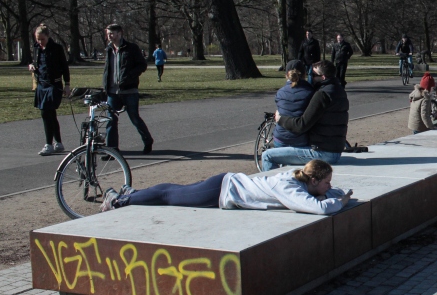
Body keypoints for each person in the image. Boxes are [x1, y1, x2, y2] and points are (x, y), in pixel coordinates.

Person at [101, 159, 353, 215]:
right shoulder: (288, 187)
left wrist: (336, 193)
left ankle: (132, 193)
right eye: (327, 182)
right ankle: (119, 200)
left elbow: (332, 193)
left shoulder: (303, 182)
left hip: (225, 184)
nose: (331, 186)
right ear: (313, 181)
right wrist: (339, 202)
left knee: (176, 189)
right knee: (170, 196)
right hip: (221, 190)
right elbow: (318, 209)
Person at [265, 60, 349, 170]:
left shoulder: (322, 95)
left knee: (267, 156)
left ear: (323, 77)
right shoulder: (338, 90)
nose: (311, 78)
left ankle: (269, 186)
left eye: (313, 75)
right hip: (335, 150)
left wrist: (280, 119)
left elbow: (301, 125)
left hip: (322, 153)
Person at [102, 24, 154, 154]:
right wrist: (105, 86)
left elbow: (142, 65)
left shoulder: (131, 48)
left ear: (120, 33)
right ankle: (112, 150)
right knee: (111, 120)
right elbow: (107, 70)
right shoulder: (108, 49)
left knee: (134, 118)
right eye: (108, 34)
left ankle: (148, 140)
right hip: (113, 92)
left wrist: (130, 76)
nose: (109, 36)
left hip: (129, 90)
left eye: (112, 33)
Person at [29, 24, 70, 155]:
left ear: (48, 36)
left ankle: (48, 144)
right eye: (37, 39)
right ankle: (58, 142)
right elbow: (36, 63)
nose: (40, 42)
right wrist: (31, 66)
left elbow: (64, 67)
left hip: (54, 85)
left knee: (46, 112)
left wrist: (67, 84)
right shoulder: (36, 48)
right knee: (50, 114)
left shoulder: (56, 48)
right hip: (42, 84)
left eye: (42, 39)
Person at [272, 60, 315, 149]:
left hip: (280, 139)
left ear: (287, 75)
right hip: (301, 139)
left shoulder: (280, 92)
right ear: (304, 74)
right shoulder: (311, 92)